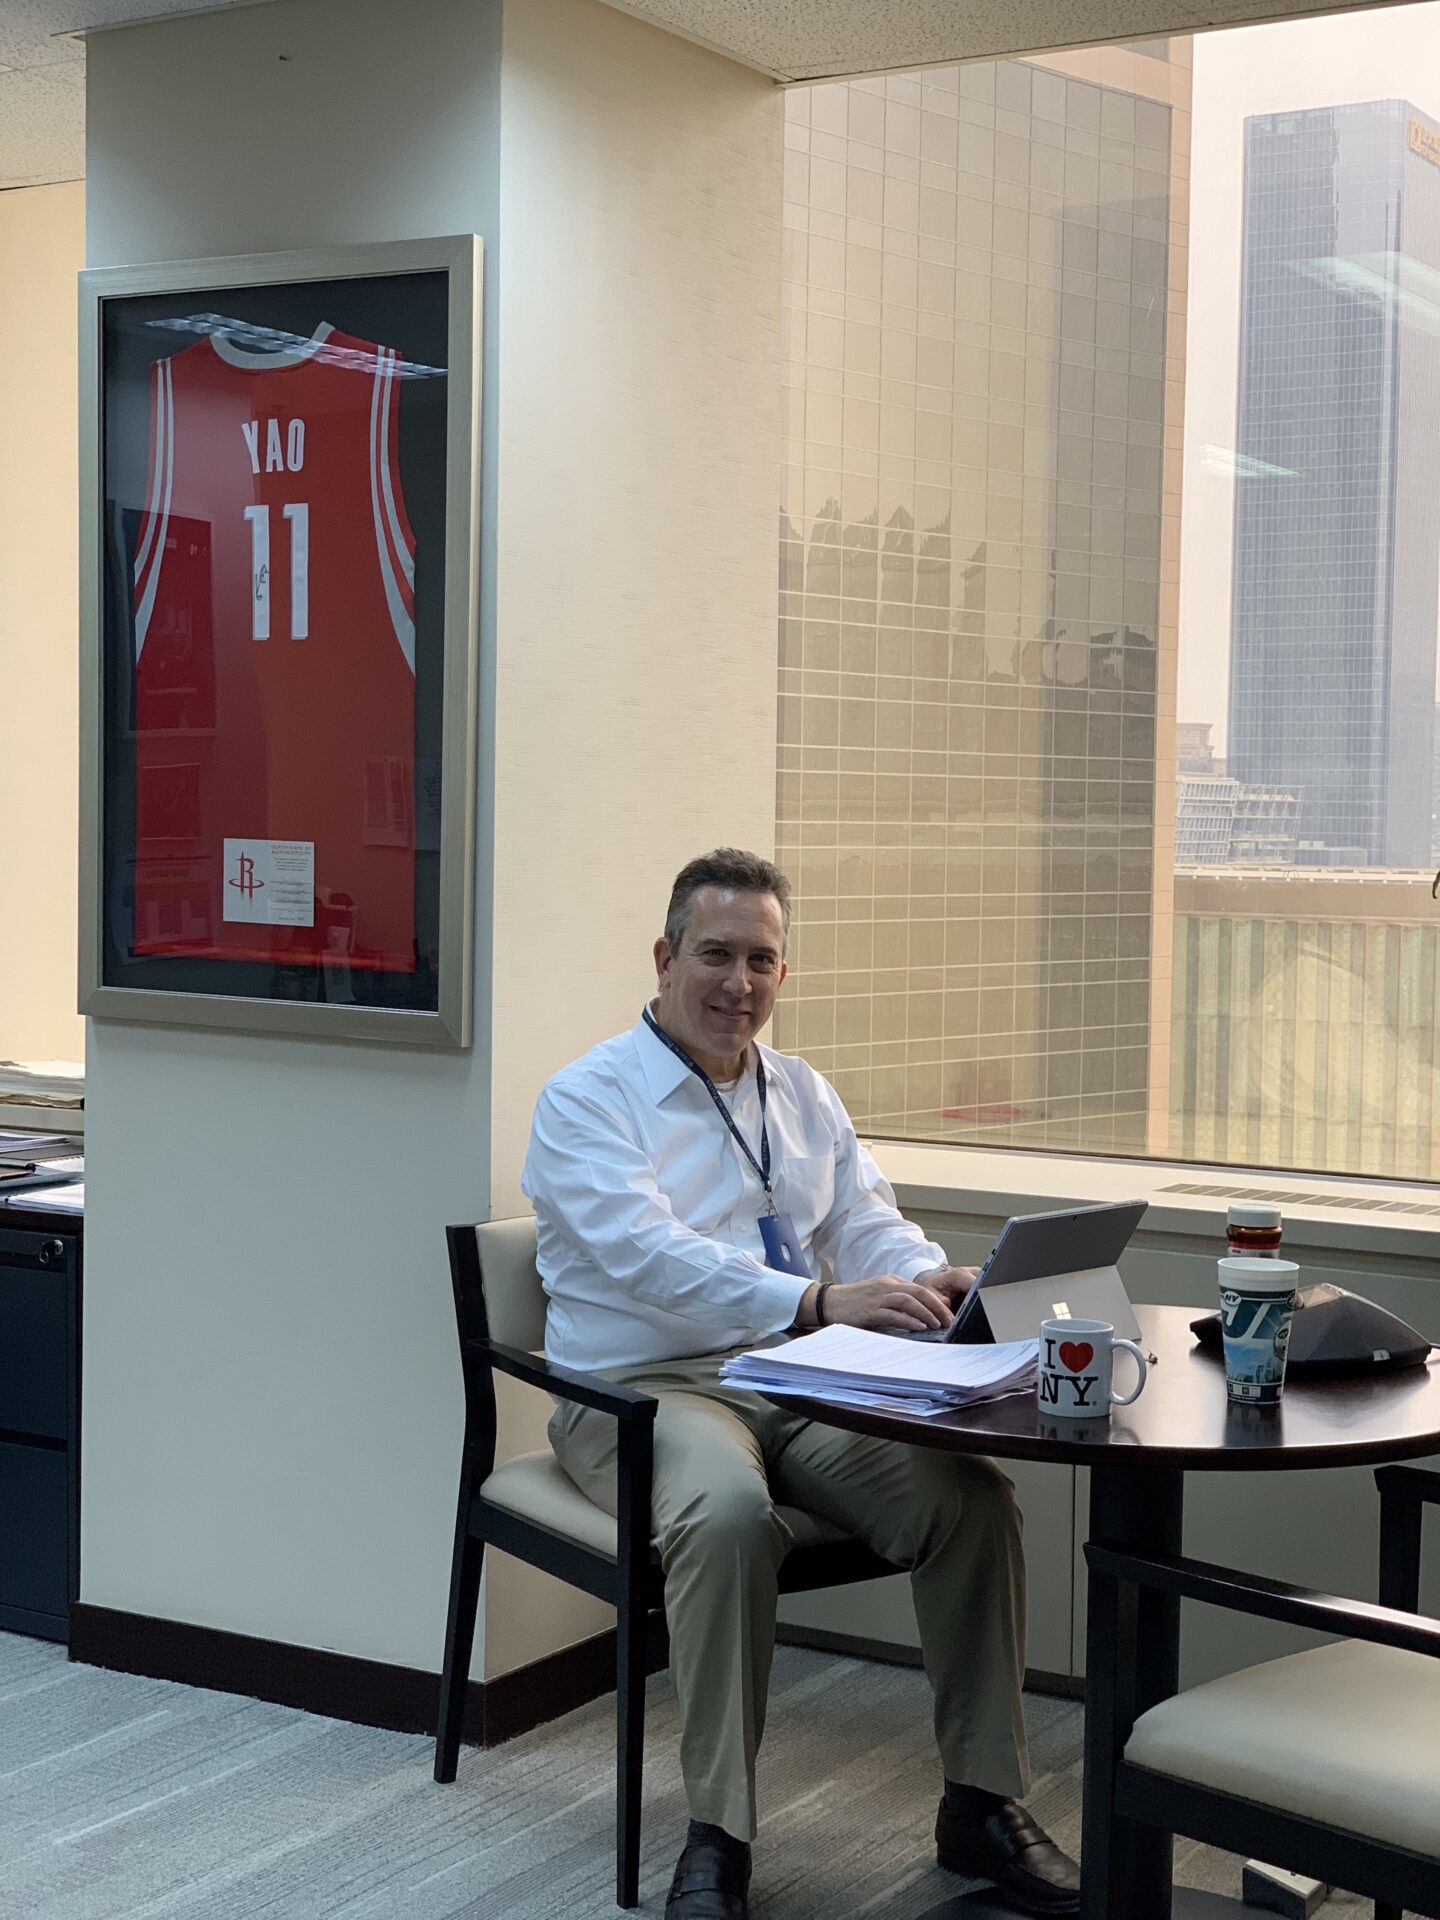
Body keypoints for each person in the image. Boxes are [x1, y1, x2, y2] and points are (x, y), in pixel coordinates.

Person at [522, 849, 1080, 1919]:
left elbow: (861, 1216)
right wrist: (818, 1305)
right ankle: (718, 1836)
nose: (739, 983)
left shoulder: (803, 1091)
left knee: (965, 1498)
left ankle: (983, 1805)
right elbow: (646, 1256)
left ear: (786, 973)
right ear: (665, 955)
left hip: (791, 1379)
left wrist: (927, 1275)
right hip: (643, 1390)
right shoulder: (588, 1098)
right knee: (729, 1515)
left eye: (762, 961)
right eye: (717, 955)